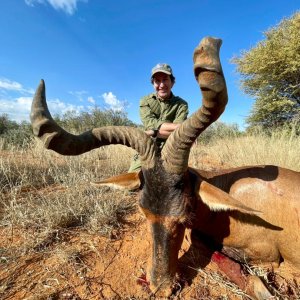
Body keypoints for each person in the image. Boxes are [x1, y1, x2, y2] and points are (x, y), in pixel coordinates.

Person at [128, 63, 189, 172]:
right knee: (134, 180)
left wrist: (153, 132)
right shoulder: (145, 101)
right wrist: (186, 129)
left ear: (172, 82)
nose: (161, 85)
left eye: (165, 79)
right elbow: (151, 124)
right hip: (148, 147)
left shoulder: (182, 104)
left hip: (172, 149)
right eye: (157, 81)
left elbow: (178, 133)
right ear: (153, 84)